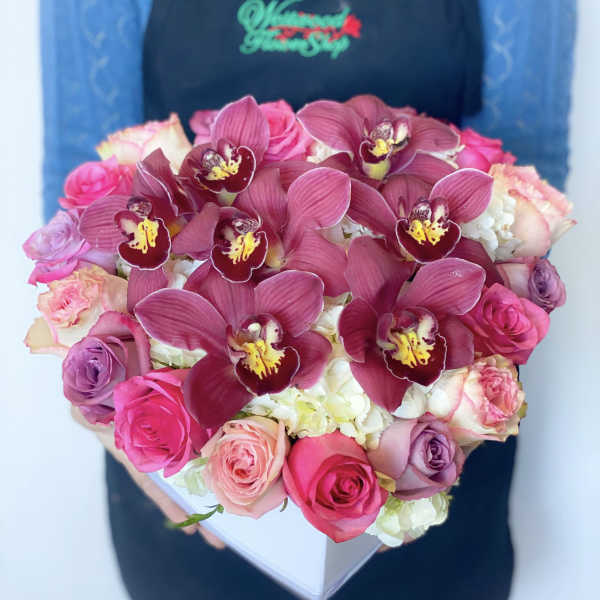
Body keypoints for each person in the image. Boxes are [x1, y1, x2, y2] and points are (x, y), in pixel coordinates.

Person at [39, 1, 575, 598]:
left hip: (432, 489)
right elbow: (79, 189)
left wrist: (444, 429)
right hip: (192, 521)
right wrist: (116, 421)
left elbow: (531, 172)